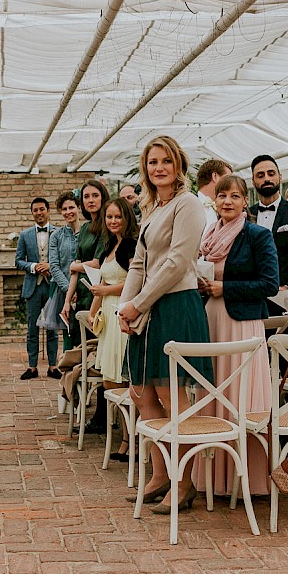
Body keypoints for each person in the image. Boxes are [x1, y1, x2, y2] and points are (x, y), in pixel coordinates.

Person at [118, 136, 212, 512]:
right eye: (152, 162)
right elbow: (139, 263)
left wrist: (138, 304)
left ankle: (183, 482)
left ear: (179, 166)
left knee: (174, 400)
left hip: (175, 306)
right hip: (147, 308)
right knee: (142, 393)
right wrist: (125, 307)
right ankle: (159, 474)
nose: (159, 167)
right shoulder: (153, 208)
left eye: (165, 161)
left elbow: (176, 263)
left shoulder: (188, 204)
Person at [192, 175, 278, 497]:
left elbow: (269, 284)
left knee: (242, 397)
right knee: (214, 392)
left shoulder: (257, 235)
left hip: (242, 324)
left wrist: (224, 288)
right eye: (222, 195)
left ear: (245, 201)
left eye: (235, 196)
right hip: (212, 321)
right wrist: (204, 286)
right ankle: (215, 478)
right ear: (215, 200)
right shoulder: (208, 236)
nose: (227, 201)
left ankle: (249, 481)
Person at [85, 198, 138, 453]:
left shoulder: (130, 245)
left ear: (127, 217)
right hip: (107, 315)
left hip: (123, 312)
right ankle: (126, 435)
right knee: (110, 381)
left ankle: (131, 439)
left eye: (118, 217)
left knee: (125, 379)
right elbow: (101, 283)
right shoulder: (108, 246)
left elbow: (134, 282)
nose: (113, 221)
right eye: (109, 217)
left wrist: (104, 290)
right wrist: (93, 312)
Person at [248, 155, 288, 296]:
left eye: (271, 174)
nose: (266, 179)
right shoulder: (246, 216)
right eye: (260, 175)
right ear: (253, 181)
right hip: (252, 295)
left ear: (280, 176)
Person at [61, 179, 110, 353]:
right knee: (81, 346)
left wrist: (76, 267)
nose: (90, 200)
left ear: (103, 198)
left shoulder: (108, 225)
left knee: (96, 345)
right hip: (82, 293)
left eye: (95, 196)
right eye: (86, 196)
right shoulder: (84, 228)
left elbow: (97, 263)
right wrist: (67, 301)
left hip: (99, 292)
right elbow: (75, 268)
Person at [15, 197, 61, 380]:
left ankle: (53, 366)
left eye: (42, 209)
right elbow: (18, 261)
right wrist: (34, 266)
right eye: (35, 210)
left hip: (52, 287)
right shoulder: (25, 235)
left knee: (52, 328)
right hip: (33, 287)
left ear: (48, 210)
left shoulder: (58, 233)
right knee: (31, 329)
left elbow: (64, 257)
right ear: (32, 213)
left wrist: (50, 265)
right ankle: (32, 367)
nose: (39, 213)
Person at [49, 191, 83, 350]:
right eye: (64, 209)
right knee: (68, 333)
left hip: (86, 290)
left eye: (71, 207)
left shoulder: (88, 233)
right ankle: (68, 370)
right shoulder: (56, 236)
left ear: (79, 208)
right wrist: (68, 289)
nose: (68, 212)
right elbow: (54, 266)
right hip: (64, 290)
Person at [195, 159, 234, 238]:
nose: (231, 184)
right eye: (228, 179)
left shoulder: (224, 208)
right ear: (215, 176)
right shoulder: (190, 205)